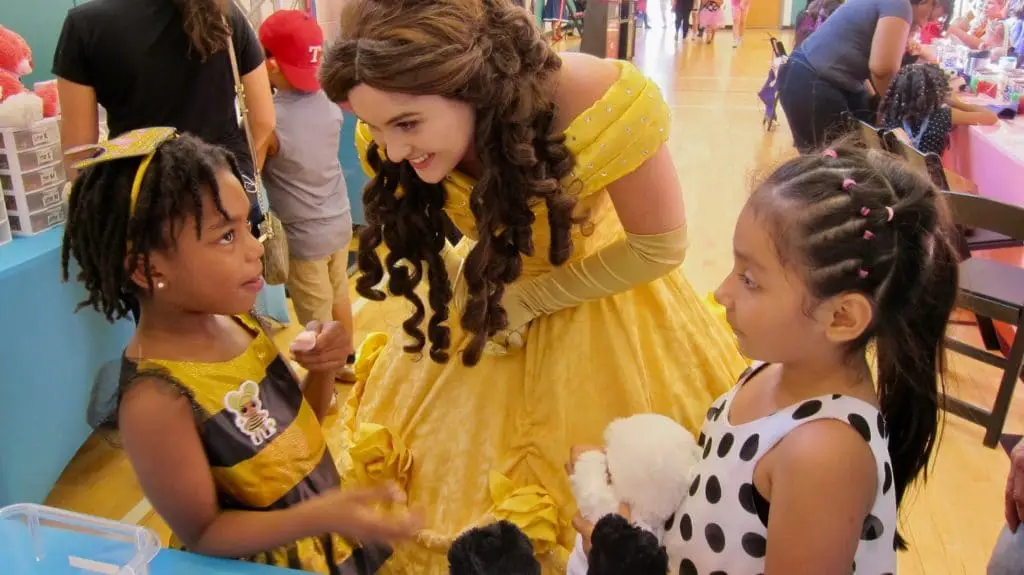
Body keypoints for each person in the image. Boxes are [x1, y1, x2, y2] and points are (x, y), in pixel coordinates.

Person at [317, 0, 747, 571]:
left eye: (407, 124)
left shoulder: (596, 98)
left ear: (471, 87)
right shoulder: (396, 132)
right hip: (484, 299)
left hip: (604, 295)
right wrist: (460, 275)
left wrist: (531, 298)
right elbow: (425, 222)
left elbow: (659, 244)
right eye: (372, 127)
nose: (391, 150)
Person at [576, 138, 959, 572]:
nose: (722, 293)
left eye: (751, 280)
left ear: (842, 317)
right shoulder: (775, 370)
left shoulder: (824, 455)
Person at [60, 129, 422, 573]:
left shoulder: (238, 321)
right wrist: (315, 516)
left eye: (248, 227)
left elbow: (297, 431)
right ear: (146, 268)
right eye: (226, 237)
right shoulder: (155, 399)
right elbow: (205, 533)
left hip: (330, 535)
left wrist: (323, 371)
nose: (256, 248)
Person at [52, 0, 280, 323]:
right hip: (229, 201)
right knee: (240, 325)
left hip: (151, 213)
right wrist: (240, 177)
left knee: (168, 338)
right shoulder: (224, 12)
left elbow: (79, 157)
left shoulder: (86, 25)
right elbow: (265, 120)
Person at [258, 10, 357, 383]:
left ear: (268, 66)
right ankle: (346, 363)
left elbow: (252, 166)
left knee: (315, 316)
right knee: (338, 296)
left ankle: (324, 389)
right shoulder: (330, 104)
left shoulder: (270, 120)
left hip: (305, 236)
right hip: (339, 221)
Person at [778, 0, 950, 153]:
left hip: (806, 76)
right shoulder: (899, 5)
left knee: (835, 161)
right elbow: (882, 69)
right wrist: (892, 113)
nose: (929, 22)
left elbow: (870, 71)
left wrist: (878, 104)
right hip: (815, 81)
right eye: (933, 11)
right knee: (832, 167)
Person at [881, 63, 998, 156]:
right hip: (930, 181)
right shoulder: (942, 116)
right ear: (938, 91)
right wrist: (956, 102)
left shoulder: (891, 114)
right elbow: (991, 117)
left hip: (896, 176)